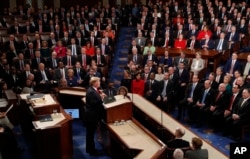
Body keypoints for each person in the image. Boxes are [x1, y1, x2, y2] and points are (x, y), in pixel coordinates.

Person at [85, 77, 106, 156]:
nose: (100, 82)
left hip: (92, 116)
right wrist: (102, 98)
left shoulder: (93, 90)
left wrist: (100, 95)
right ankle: (92, 151)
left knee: (90, 134)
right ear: (94, 83)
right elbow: (94, 103)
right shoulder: (91, 92)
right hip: (91, 117)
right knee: (90, 135)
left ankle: (91, 149)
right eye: (98, 81)